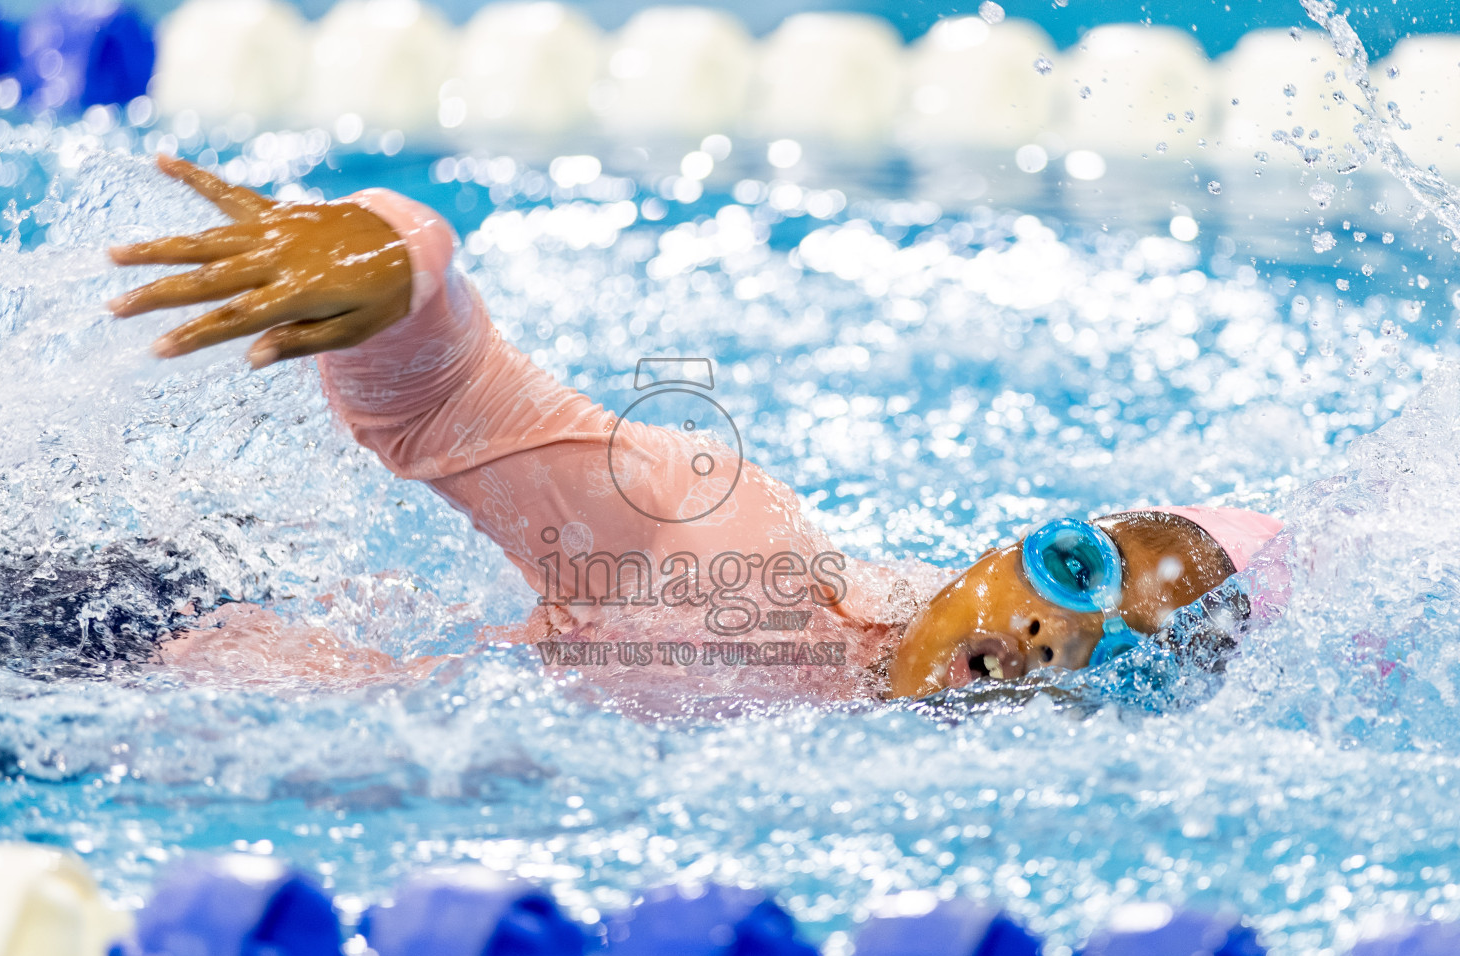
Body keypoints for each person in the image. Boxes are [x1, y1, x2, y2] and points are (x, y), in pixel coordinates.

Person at [99, 155, 1281, 705]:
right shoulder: (734, 561)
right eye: (1071, 569)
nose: (1049, 632)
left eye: (1118, 650)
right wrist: (397, 266)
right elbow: (452, 401)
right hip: (123, 663)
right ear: (1002, 549)